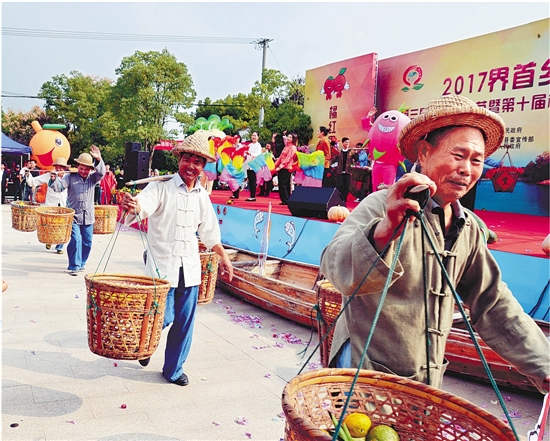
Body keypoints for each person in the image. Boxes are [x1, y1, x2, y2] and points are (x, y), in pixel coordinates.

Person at [320, 94, 550, 393]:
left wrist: (543, 365)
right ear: (425, 153)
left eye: (476, 160)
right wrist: (386, 229)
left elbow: (491, 301)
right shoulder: (381, 205)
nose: (467, 169)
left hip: (425, 377)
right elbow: (334, 266)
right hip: (364, 369)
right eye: (458, 155)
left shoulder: (465, 226)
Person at [119, 133, 234, 387]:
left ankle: (173, 369)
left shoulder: (201, 195)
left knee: (184, 322)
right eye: (187, 159)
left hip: (189, 267)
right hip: (162, 267)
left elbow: (209, 230)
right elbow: (143, 205)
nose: (191, 166)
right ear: (179, 160)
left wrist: (223, 257)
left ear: (203, 167)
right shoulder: (160, 187)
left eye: (198, 162)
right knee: (165, 316)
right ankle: (146, 345)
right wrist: (133, 205)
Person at [50, 146, 106, 276]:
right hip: (74, 216)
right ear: (77, 166)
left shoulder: (93, 178)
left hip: (88, 216)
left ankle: (81, 263)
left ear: (91, 169)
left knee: (87, 242)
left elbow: (101, 173)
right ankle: (74, 265)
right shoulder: (70, 177)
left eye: (87, 169)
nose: (83, 171)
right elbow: (59, 188)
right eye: (81, 168)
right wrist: (54, 179)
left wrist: (98, 158)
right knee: (76, 239)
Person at [25, 157, 70, 254]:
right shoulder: (49, 175)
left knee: (62, 225)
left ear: (65, 168)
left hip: (63, 205)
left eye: (61, 168)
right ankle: (49, 240)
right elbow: (33, 182)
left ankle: (60, 246)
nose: (59, 169)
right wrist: (28, 174)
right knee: (49, 224)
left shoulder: (68, 177)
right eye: (57, 167)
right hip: (51, 204)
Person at [272, 133, 298, 205]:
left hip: (287, 167)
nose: (288, 138)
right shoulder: (286, 146)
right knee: (281, 183)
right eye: (288, 136)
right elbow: (280, 157)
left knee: (284, 184)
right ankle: (284, 200)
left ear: (293, 139)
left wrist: (280, 166)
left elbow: (288, 158)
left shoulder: (293, 147)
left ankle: (286, 199)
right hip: (281, 167)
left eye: (290, 137)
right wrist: (274, 165)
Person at [331, 137, 354, 203]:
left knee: (346, 186)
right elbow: (333, 159)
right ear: (343, 143)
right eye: (346, 142)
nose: (347, 144)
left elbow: (356, 158)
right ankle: (340, 198)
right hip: (340, 171)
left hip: (348, 171)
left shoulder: (350, 152)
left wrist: (354, 154)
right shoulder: (339, 152)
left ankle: (344, 198)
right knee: (340, 185)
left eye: (348, 142)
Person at [243, 132, 262, 201]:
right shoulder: (250, 145)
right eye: (253, 135)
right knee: (250, 180)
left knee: (253, 180)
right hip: (248, 164)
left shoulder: (258, 145)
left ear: (258, 137)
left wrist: (250, 153)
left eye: (255, 136)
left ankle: (253, 196)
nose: (253, 137)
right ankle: (251, 195)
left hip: (254, 165)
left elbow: (258, 154)